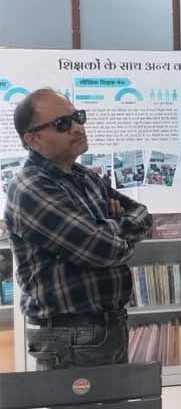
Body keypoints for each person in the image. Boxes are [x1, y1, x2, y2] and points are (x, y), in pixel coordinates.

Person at [4, 89, 152, 370]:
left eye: (77, 117)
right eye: (62, 124)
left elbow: (143, 216)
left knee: (115, 401)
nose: (77, 127)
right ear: (32, 140)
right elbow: (102, 249)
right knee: (90, 404)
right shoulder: (30, 188)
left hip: (105, 327)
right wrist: (113, 228)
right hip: (71, 336)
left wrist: (105, 228)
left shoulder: (83, 176)